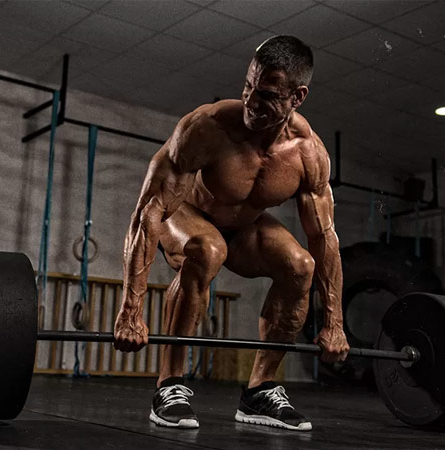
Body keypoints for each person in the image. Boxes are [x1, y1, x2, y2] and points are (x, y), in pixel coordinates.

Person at [113, 35, 349, 432]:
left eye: (268, 94)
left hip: (244, 229)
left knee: (300, 266)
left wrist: (335, 322)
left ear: (298, 96)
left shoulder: (308, 155)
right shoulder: (206, 127)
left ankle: (260, 390)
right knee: (207, 249)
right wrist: (130, 311)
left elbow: (324, 238)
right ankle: (170, 384)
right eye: (248, 87)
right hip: (189, 214)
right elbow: (148, 214)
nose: (252, 102)